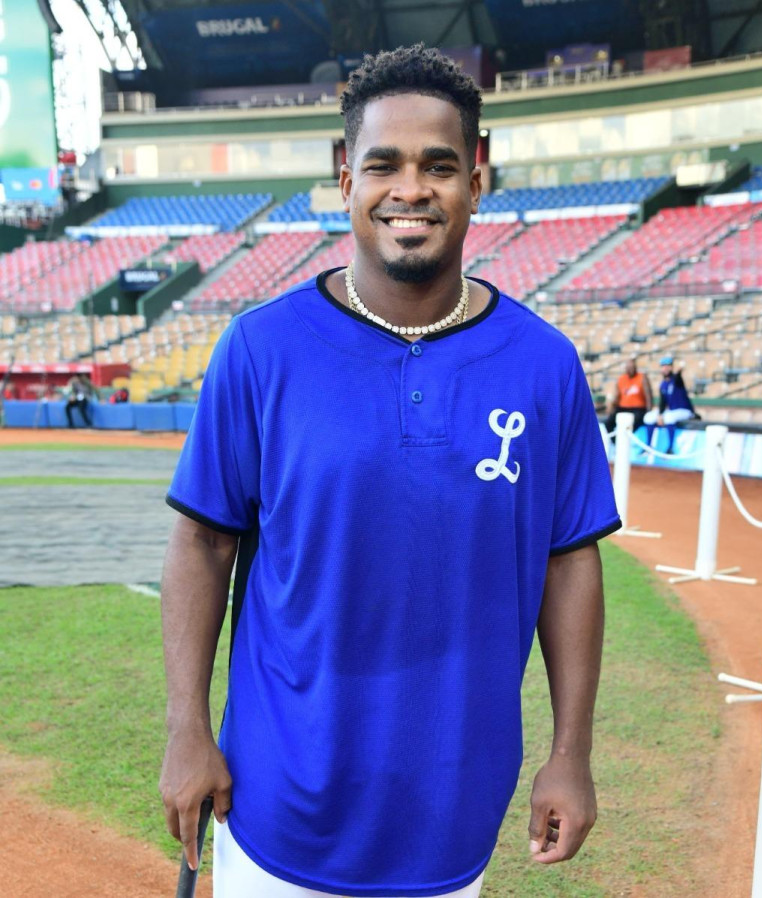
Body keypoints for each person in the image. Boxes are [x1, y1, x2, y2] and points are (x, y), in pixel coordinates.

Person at [159, 45, 621, 898]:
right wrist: (186, 727)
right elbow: (202, 542)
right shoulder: (260, 349)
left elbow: (570, 562)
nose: (411, 188)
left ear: (476, 182)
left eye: (439, 166)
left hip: (451, 817)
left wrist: (571, 755)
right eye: (384, 164)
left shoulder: (544, 364)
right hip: (276, 808)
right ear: (346, 179)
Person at [643, 355, 697, 454]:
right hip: (672, 411)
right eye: (663, 366)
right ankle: (648, 447)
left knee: (668, 417)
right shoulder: (663, 384)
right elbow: (662, 403)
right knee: (649, 417)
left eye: (668, 366)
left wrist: (679, 371)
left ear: (672, 367)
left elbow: (678, 377)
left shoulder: (676, 380)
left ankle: (670, 448)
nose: (665, 368)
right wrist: (659, 415)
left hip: (685, 410)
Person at [604, 355, 652, 439]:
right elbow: (617, 396)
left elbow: (648, 396)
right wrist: (611, 407)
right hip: (623, 408)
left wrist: (648, 410)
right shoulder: (621, 379)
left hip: (638, 409)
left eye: (632, 367)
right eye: (628, 367)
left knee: (631, 423)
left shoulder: (642, 377)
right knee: (608, 423)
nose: (630, 369)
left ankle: (627, 441)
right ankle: (616, 442)